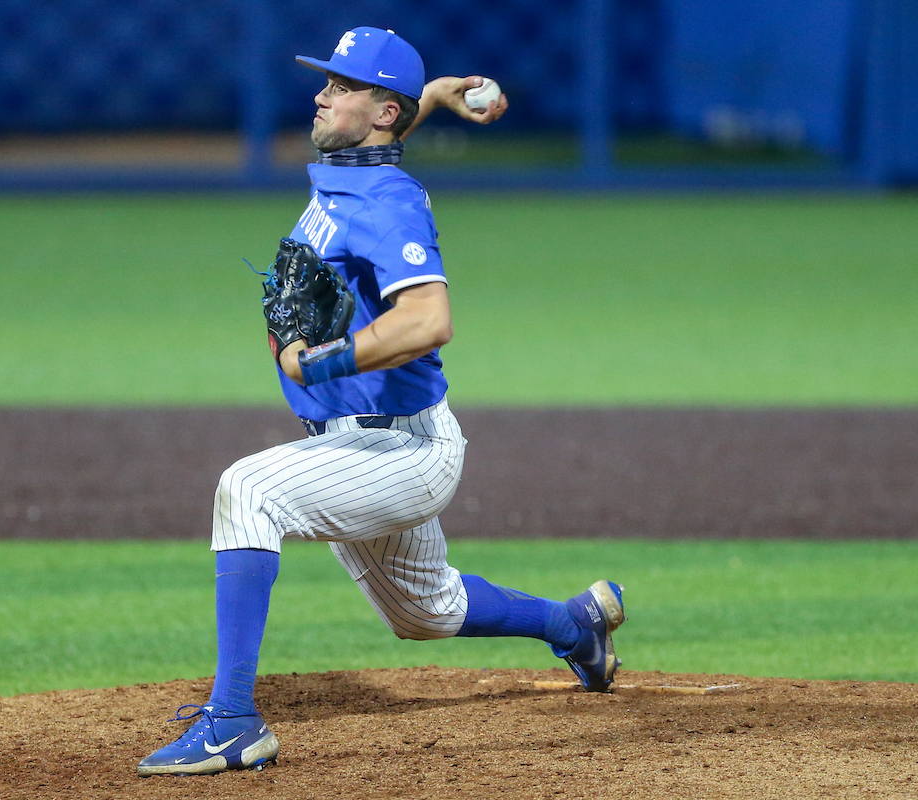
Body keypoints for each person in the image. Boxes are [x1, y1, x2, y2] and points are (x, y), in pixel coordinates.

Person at [137, 27, 625, 777]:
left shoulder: (389, 201)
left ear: (379, 112)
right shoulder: (352, 166)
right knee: (424, 612)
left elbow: (430, 319)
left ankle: (231, 722)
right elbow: (378, 148)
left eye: (341, 86)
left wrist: (326, 361)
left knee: (247, 491)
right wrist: (431, 94)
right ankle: (577, 627)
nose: (321, 94)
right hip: (361, 444)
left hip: (404, 450)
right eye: (327, 82)